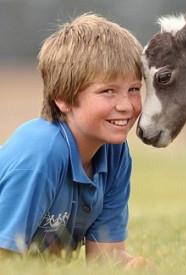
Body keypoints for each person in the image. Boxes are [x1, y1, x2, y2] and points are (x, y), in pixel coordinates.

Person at [0, 13, 148, 268]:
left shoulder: (114, 152)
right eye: (108, 91)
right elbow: (5, 260)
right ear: (63, 98)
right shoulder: (42, 153)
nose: (126, 105)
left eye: (134, 89)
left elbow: (103, 257)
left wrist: (132, 267)